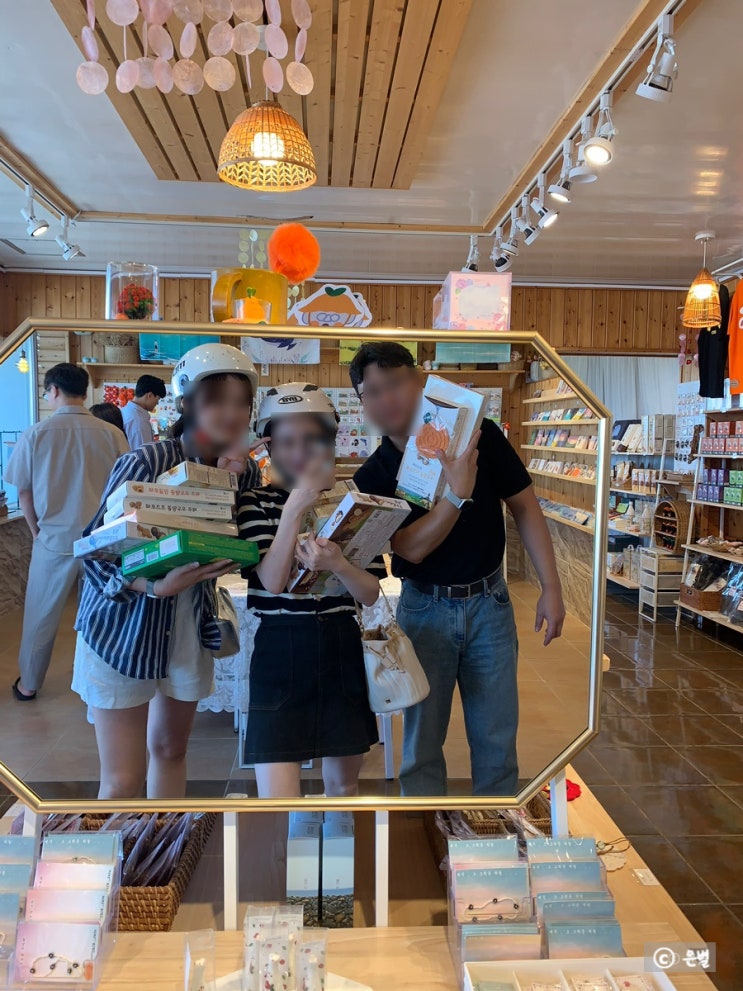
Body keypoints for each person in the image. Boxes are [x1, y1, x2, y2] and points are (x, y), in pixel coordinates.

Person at [350, 342, 565, 797]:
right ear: (363, 403)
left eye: (395, 382)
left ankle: (496, 828)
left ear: (420, 382)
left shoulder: (477, 437)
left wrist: (551, 586)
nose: (386, 398)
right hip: (423, 609)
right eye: (372, 391)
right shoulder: (375, 474)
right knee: (422, 743)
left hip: (490, 603)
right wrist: (456, 495)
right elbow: (410, 549)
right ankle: (423, 831)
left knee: (496, 737)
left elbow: (525, 506)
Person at [72, 344, 260, 800]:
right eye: (216, 400)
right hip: (123, 627)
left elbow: (242, 542)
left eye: (242, 402)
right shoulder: (147, 462)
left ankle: (164, 845)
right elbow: (93, 552)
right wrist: (153, 586)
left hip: (187, 624)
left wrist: (234, 486)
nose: (231, 413)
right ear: (186, 403)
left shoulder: (248, 472)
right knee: (122, 779)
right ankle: (120, 849)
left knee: (171, 750)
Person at [237, 383, 382, 799]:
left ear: (329, 440)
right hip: (279, 648)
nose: (299, 451)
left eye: (311, 439)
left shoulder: (354, 502)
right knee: (277, 798)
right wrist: (295, 508)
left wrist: (339, 565)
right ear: (270, 447)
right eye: (286, 442)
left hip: (341, 645)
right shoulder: (254, 502)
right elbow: (271, 581)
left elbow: (370, 593)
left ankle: (339, 846)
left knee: (344, 787)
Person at [6, 363, 128, 702]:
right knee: (108, 611)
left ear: (54, 390)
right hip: (104, 539)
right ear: (84, 392)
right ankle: (106, 682)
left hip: (54, 538)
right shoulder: (111, 433)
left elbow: (24, 492)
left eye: (47, 391)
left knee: (41, 615)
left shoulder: (36, 433)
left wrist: (36, 531)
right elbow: (126, 488)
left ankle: (29, 684)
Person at [121, 374, 167, 449]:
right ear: (150, 395)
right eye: (157, 399)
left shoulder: (126, 411)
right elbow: (143, 454)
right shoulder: (139, 422)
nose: (157, 403)